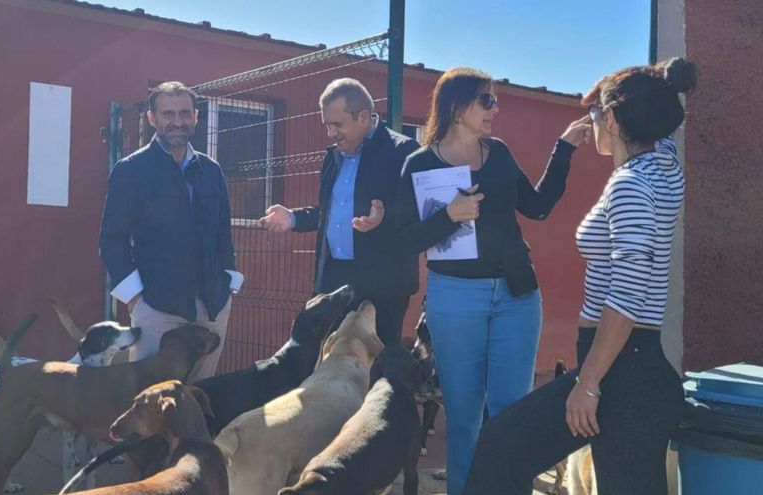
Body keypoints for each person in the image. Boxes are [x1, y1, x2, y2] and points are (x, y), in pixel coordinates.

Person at [464, 57, 696, 495]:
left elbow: (626, 295)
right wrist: (616, 93)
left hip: (620, 370)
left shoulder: (630, 185)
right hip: (629, 370)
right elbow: (650, 114)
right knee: (503, 446)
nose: (590, 121)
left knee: (501, 447)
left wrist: (588, 385)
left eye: (596, 114)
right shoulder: (665, 165)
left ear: (612, 118)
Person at [395, 67, 590, 494]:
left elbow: (536, 207)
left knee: (510, 414)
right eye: (487, 100)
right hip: (455, 299)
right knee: (464, 418)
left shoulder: (497, 152)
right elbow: (403, 239)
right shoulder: (419, 163)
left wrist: (564, 149)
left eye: (495, 100)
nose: (494, 109)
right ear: (455, 106)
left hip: (516, 296)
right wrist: (448, 217)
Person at [99, 81, 242, 382]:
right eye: (168, 114)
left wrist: (229, 280)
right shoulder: (131, 170)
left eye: (185, 113)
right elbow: (112, 240)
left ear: (196, 117)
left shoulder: (211, 170)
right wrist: (136, 299)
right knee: (150, 400)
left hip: (212, 303)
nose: (177, 121)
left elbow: (222, 234)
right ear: (152, 118)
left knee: (199, 394)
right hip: (156, 306)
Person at [259, 78, 420, 345]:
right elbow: (330, 212)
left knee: (374, 371)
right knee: (326, 365)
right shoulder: (333, 156)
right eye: (327, 125)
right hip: (334, 282)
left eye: (338, 125)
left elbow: (418, 214)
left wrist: (384, 218)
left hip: (382, 288)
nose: (330, 133)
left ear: (364, 117)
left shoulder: (402, 152)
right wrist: (293, 217)